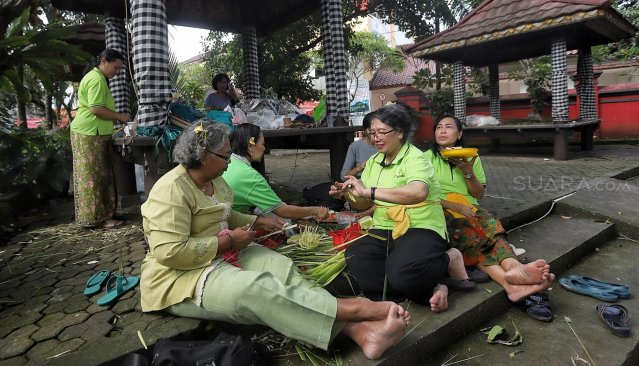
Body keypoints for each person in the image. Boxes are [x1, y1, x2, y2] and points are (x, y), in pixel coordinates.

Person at [140, 121, 410, 360]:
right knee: (255, 289)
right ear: (202, 156)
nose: (230, 162)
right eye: (224, 156)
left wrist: (257, 221)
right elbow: (170, 253)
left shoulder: (216, 180)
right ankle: (354, 308)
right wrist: (228, 242)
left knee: (281, 268)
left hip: (223, 252)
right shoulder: (171, 190)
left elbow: (222, 213)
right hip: (181, 276)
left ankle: (362, 333)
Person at [330, 104, 473, 313]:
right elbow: (363, 203)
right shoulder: (374, 162)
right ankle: (434, 286)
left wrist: (367, 191)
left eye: (381, 132)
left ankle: (449, 258)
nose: (375, 138)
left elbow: (417, 192)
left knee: (402, 272)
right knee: (357, 257)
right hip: (385, 226)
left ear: (399, 133)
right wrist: (349, 194)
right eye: (371, 133)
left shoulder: (416, 158)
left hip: (421, 224)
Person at [424, 115, 555, 302]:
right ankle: (509, 283)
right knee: (468, 232)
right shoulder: (425, 159)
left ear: (459, 133)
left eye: (448, 127)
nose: (442, 131)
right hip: (442, 208)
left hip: (470, 207)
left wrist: (467, 171)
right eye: (438, 127)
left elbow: (478, 194)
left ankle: (513, 268)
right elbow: (423, 195)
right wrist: (454, 206)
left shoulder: (471, 156)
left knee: (493, 226)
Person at [70, 49, 130, 229]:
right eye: (115, 67)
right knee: (93, 178)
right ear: (104, 60)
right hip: (88, 133)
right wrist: (120, 116)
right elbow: (96, 108)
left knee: (101, 175)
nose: (116, 72)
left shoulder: (98, 77)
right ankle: (98, 218)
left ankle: (104, 214)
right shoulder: (96, 79)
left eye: (119, 69)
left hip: (93, 133)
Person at [222, 123, 329, 220]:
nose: (264, 148)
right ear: (250, 146)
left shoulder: (227, 162)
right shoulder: (249, 176)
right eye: (263, 144)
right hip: (225, 225)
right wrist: (316, 210)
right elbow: (283, 210)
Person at [340, 112, 377, 181]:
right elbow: (343, 176)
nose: (376, 135)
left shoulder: (386, 145)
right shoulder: (355, 147)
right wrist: (359, 168)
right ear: (365, 130)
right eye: (372, 131)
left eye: (380, 130)